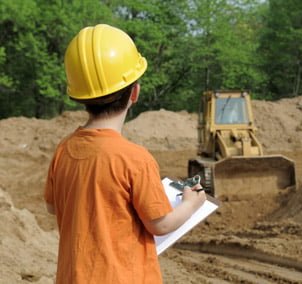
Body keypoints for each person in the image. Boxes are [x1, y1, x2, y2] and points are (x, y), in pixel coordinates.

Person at [44, 24, 206, 284]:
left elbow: (53, 206)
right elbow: (160, 224)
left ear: (79, 96)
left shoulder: (64, 149)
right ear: (135, 93)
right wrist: (191, 204)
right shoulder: (134, 158)